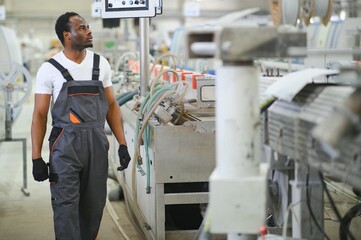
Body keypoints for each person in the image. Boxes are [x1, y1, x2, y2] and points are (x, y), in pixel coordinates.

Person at [31, 12, 131, 240]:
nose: (89, 30)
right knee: (66, 210)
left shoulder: (100, 63)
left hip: (96, 147)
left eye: (88, 27)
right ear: (67, 35)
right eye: (82, 27)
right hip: (65, 149)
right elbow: (39, 114)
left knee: (93, 209)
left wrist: (122, 143)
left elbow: (112, 105)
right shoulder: (50, 69)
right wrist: (37, 157)